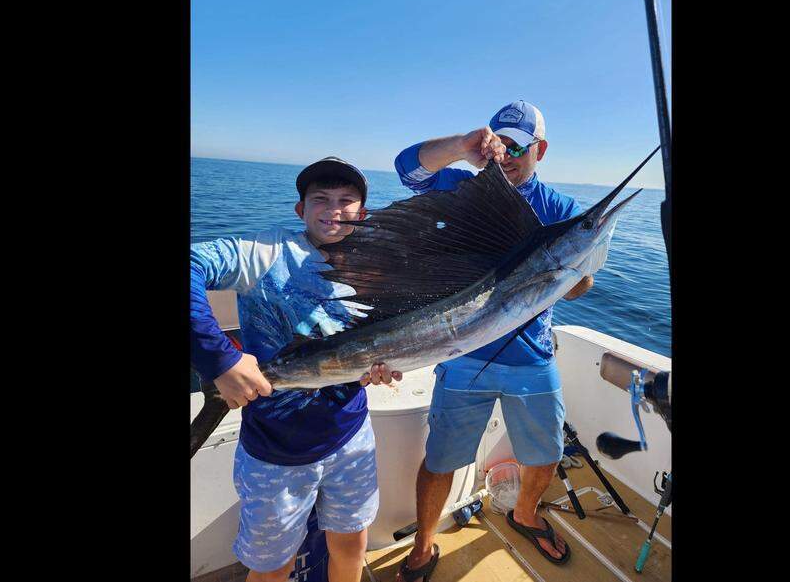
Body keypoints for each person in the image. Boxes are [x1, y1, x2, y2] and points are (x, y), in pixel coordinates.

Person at [392, 101, 592, 580]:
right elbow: (407, 170)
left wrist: (568, 274)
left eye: (518, 148)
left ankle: (525, 515)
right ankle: (423, 544)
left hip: (533, 357)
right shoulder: (462, 184)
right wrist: (463, 147)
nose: (507, 156)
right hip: (461, 355)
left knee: (545, 455)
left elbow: (584, 284)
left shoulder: (561, 210)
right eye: (500, 145)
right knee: (440, 459)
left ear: (540, 150)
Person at [190, 156, 402, 582]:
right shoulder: (263, 252)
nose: (333, 209)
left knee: (352, 547)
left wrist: (381, 367)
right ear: (299, 209)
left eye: (346, 201)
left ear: (361, 214)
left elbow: (374, 346)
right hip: (275, 454)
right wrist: (222, 360)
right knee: (273, 570)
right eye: (320, 199)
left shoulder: (375, 270)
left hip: (351, 439)